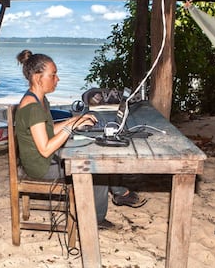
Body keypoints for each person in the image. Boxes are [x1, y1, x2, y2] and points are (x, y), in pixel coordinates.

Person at [15, 49, 146, 226]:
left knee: (98, 148)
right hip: (40, 167)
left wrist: (75, 120)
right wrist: (70, 127)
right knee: (95, 167)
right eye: (53, 75)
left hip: (43, 159)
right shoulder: (32, 108)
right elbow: (45, 149)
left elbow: (47, 129)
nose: (57, 79)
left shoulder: (39, 99)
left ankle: (118, 192)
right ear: (38, 78)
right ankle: (98, 219)